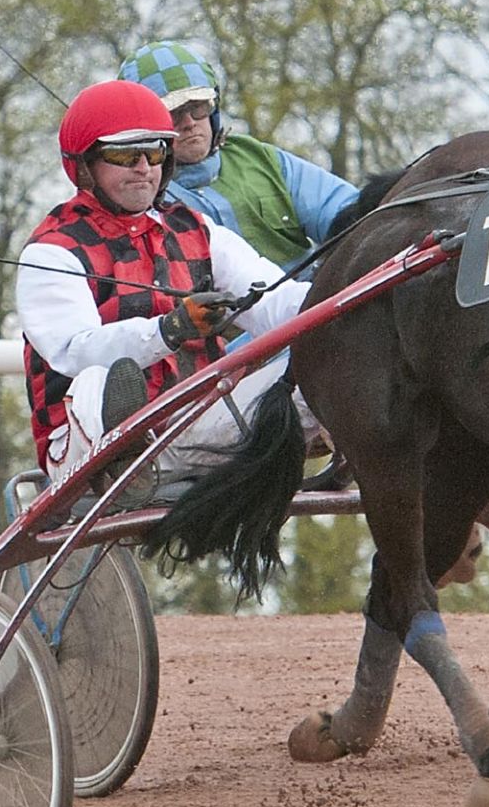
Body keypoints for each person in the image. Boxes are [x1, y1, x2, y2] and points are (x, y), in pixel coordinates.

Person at [17, 79, 309, 495]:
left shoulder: (197, 231)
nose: (143, 167)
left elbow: (275, 301)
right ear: (85, 167)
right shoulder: (52, 252)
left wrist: (358, 291)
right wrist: (169, 330)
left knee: (327, 364)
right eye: (124, 153)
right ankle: (121, 461)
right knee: (98, 382)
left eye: (154, 151)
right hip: (84, 447)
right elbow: (74, 352)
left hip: (194, 426)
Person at [117, 41, 359, 270]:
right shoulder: (140, 193)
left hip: (310, 302)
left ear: (214, 106)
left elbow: (352, 214)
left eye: (198, 107)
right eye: (174, 113)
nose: (190, 122)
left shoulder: (261, 158)